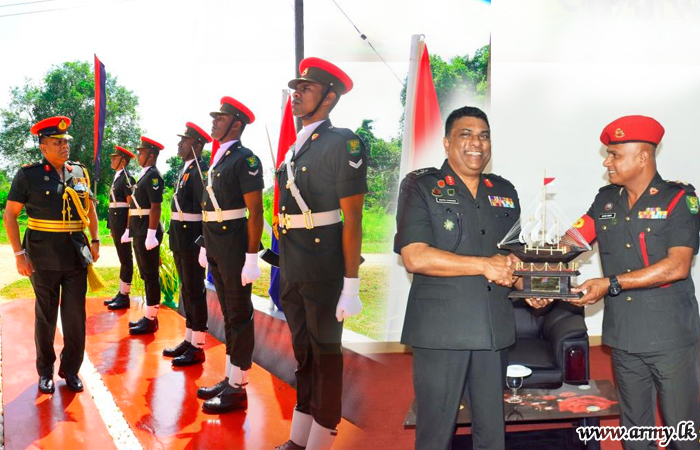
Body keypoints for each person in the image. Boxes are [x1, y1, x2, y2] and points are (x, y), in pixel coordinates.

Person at [564, 115, 700, 450]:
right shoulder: (605, 201)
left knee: (682, 431)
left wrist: (610, 283)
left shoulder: (678, 200)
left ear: (643, 157)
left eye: (614, 154)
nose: (607, 162)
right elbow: (570, 243)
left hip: (670, 338)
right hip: (624, 335)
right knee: (635, 433)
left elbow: (677, 266)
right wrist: (529, 262)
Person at [394, 106, 520, 450]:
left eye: (484, 135)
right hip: (441, 331)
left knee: (492, 435)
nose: (476, 143)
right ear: (447, 143)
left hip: (493, 329)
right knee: (435, 435)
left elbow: (513, 259)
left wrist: (533, 287)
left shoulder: (504, 191)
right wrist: (484, 265)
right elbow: (414, 256)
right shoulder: (421, 186)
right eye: (466, 134)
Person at [274, 57, 366, 450]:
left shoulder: (342, 142)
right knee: (304, 355)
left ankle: (321, 441)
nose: (295, 94)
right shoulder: (296, 147)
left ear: (328, 98)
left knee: (326, 357)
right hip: (293, 265)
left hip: (324, 266)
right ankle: (299, 438)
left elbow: (353, 218)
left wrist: (351, 285)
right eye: (296, 88)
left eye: (305, 89)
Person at [3, 116, 100, 394]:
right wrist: (19, 254)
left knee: (75, 317)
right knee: (46, 316)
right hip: (42, 257)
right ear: (43, 146)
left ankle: (71, 370)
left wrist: (95, 239)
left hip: (75, 255)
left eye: (65, 141)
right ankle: (45, 371)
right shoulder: (28, 175)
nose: (64, 146)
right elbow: (10, 215)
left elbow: (90, 209)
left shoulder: (78, 172)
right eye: (57, 142)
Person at [196, 96, 264, 413]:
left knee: (239, 315)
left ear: (236, 124)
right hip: (217, 245)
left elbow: (255, 212)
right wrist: (205, 245)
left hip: (235, 247)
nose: (214, 122)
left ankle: (238, 387)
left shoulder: (245, 159)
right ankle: (230, 377)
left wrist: (251, 256)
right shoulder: (219, 159)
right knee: (228, 314)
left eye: (220, 118)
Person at [162, 122, 210, 366]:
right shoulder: (186, 168)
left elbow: (206, 209)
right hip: (180, 237)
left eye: (185, 141)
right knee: (186, 289)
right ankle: (190, 339)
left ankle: (198, 346)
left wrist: (204, 244)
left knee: (195, 291)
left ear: (197, 146)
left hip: (193, 238)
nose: (180, 144)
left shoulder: (201, 170)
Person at [125, 136, 165, 335]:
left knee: (150, 276)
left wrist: (151, 234)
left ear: (151, 155)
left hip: (147, 230)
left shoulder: (154, 176)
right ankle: (149, 316)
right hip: (139, 229)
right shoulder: (145, 175)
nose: (138, 155)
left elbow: (156, 206)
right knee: (145, 274)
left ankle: (151, 319)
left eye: (141, 152)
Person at [104, 145, 136, 310]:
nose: (112, 160)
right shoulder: (118, 177)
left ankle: (124, 295)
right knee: (122, 259)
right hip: (117, 224)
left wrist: (129, 229)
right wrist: (111, 226)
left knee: (126, 259)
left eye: (115, 158)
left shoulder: (127, 178)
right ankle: (121, 292)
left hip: (123, 225)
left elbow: (131, 205)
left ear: (123, 161)